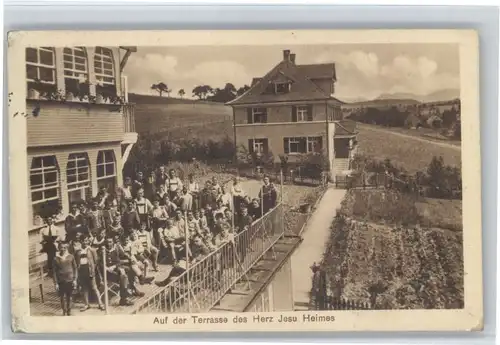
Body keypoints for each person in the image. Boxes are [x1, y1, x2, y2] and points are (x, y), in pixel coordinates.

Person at [100, 237, 136, 306]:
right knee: (124, 276)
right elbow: (99, 263)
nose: (108, 244)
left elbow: (118, 262)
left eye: (110, 242)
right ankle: (125, 297)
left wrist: (114, 266)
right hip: (106, 273)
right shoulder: (102, 251)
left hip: (114, 272)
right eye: (107, 242)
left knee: (126, 273)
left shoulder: (114, 251)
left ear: (113, 242)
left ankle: (126, 295)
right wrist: (107, 268)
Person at [76, 236, 104, 311]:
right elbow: (77, 262)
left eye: (86, 241)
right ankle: (86, 304)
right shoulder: (78, 251)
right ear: (81, 241)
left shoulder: (92, 250)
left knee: (94, 288)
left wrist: (92, 271)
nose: (85, 242)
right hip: (82, 271)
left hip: (90, 271)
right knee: (84, 288)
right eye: (83, 241)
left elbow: (96, 261)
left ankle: (100, 304)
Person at [52, 241, 78, 316]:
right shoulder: (55, 259)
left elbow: (75, 268)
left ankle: (69, 311)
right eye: (61, 247)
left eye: (64, 247)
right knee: (62, 297)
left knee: (69, 296)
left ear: (67, 248)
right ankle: (64, 311)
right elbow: (54, 272)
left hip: (70, 280)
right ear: (59, 248)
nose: (63, 249)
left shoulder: (71, 256)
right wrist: (56, 283)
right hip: (61, 281)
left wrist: (75, 279)